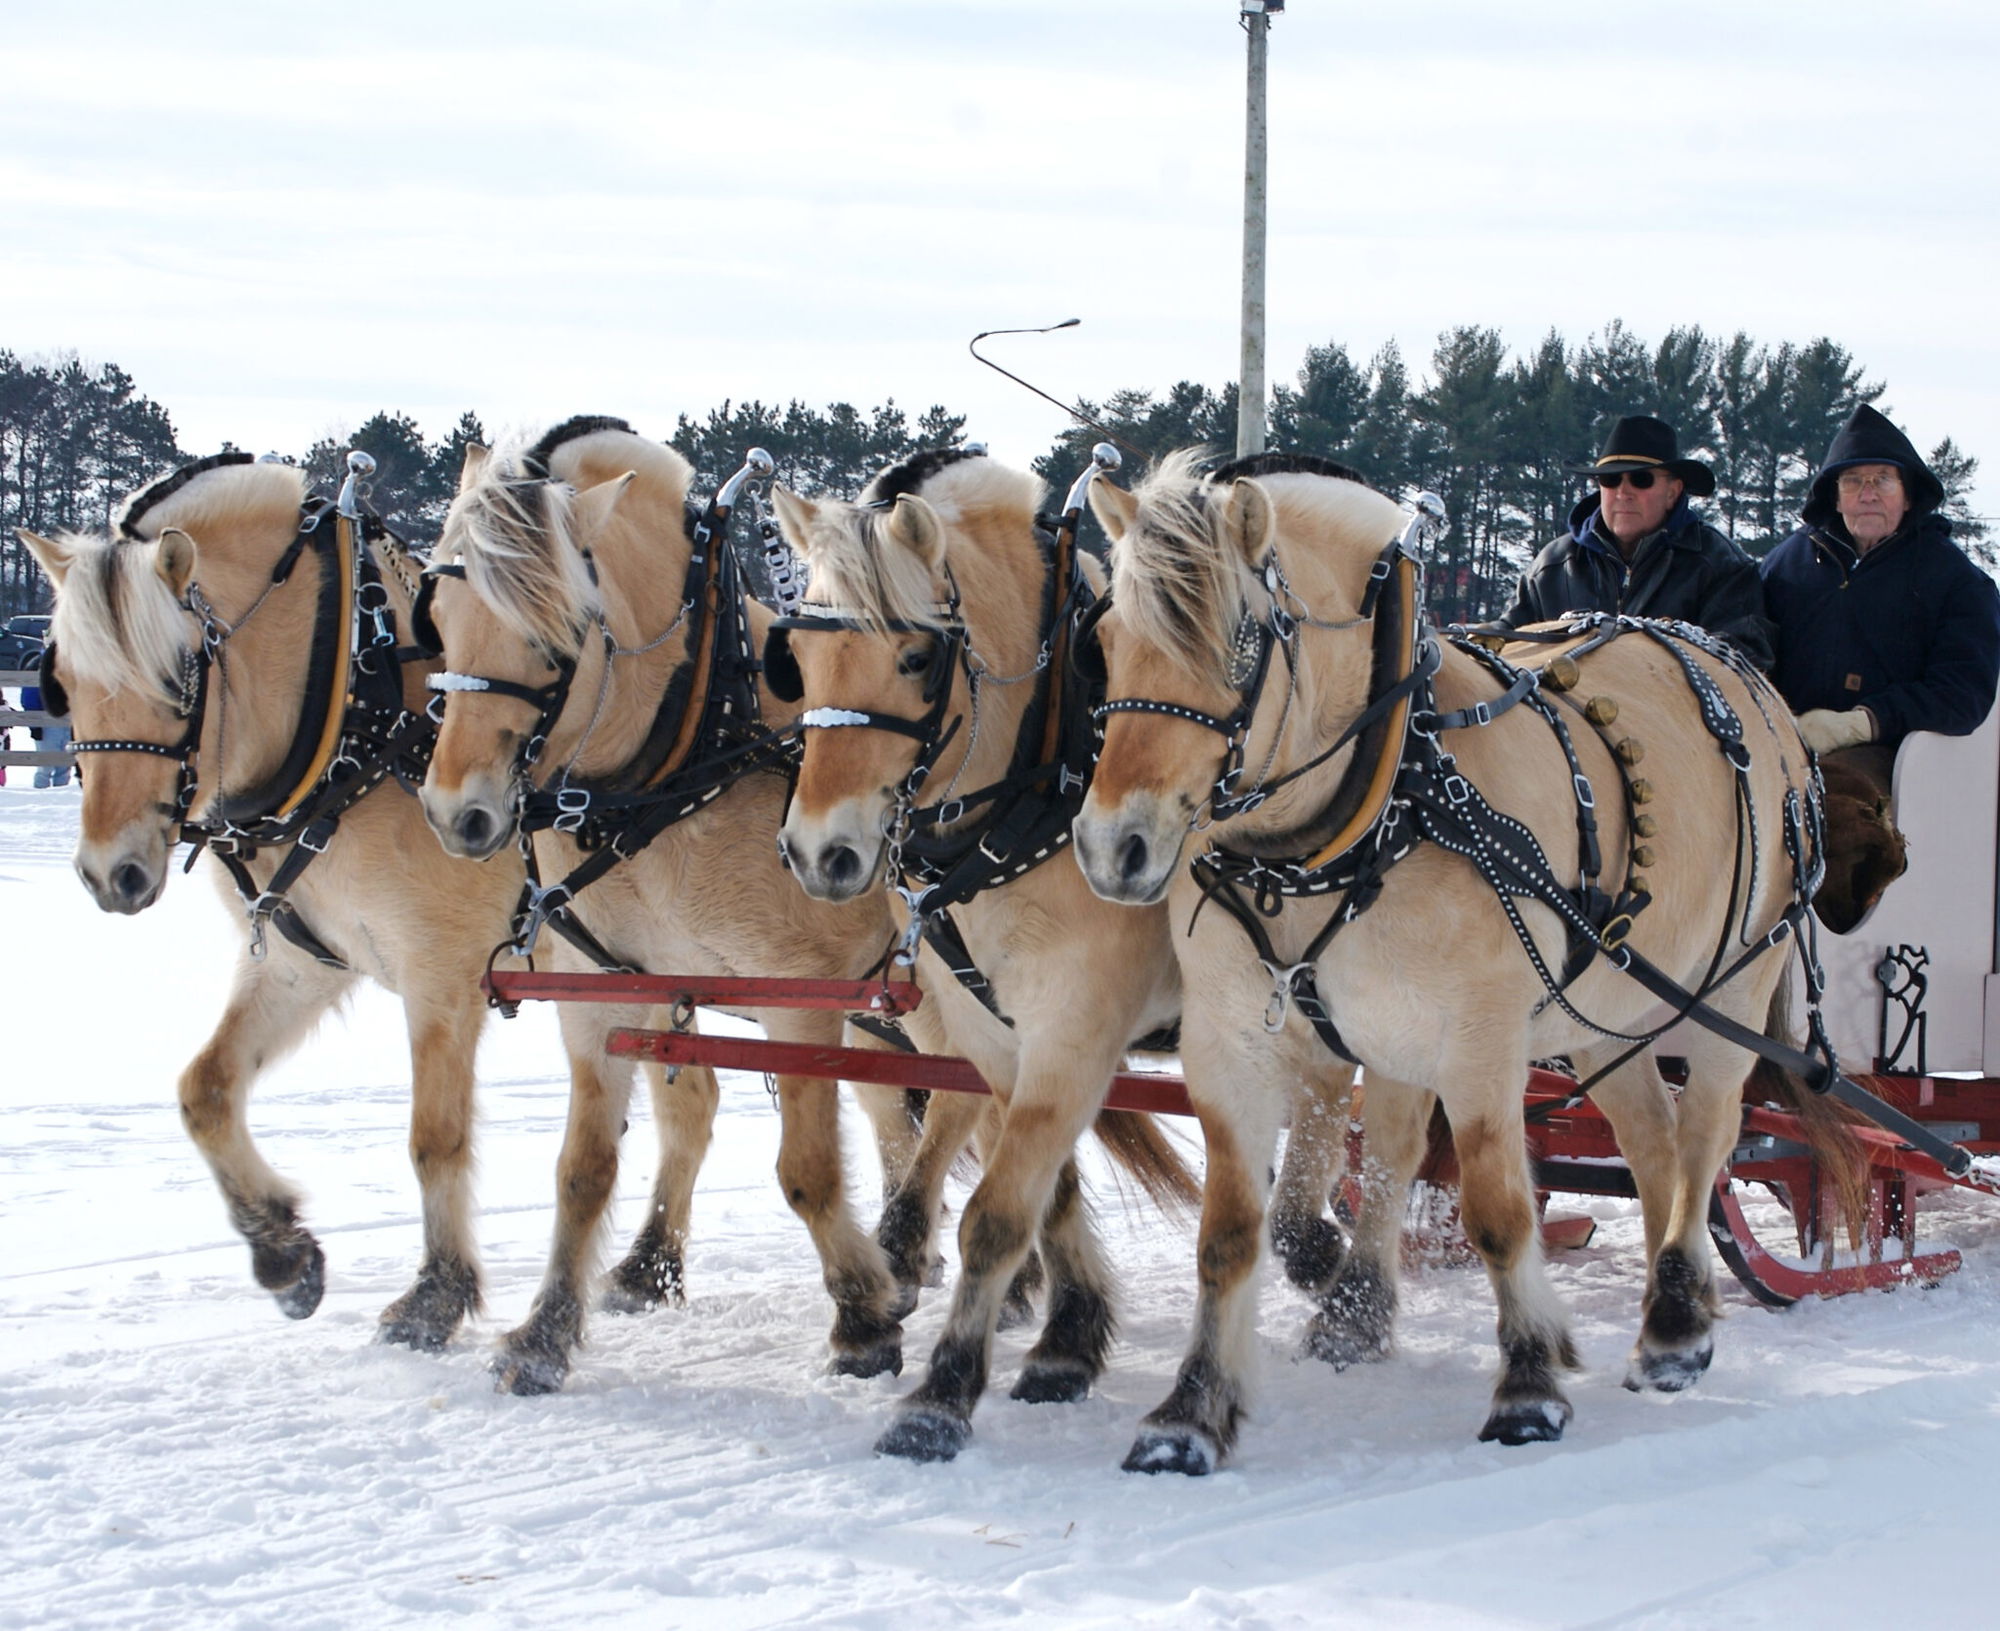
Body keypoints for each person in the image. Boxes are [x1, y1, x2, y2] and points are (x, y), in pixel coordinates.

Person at [1761, 404, 2000, 757]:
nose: (1867, 494)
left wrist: (1864, 722)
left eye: (1883, 479)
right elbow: (1748, 651)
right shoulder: (1786, 565)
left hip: (1894, 756)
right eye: (1853, 480)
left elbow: (1963, 694)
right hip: (1779, 742)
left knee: (1844, 802)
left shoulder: (1956, 580)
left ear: (1908, 497)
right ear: (1835, 496)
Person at [1487, 414, 1775, 669]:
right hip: (1565, 727)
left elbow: (1743, 659)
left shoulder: (1721, 566)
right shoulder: (1552, 567)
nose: (1623, 492)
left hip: (1669, 726)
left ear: (1673, 492)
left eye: (1640, 479)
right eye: (1610, 480)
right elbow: (1505, 644)